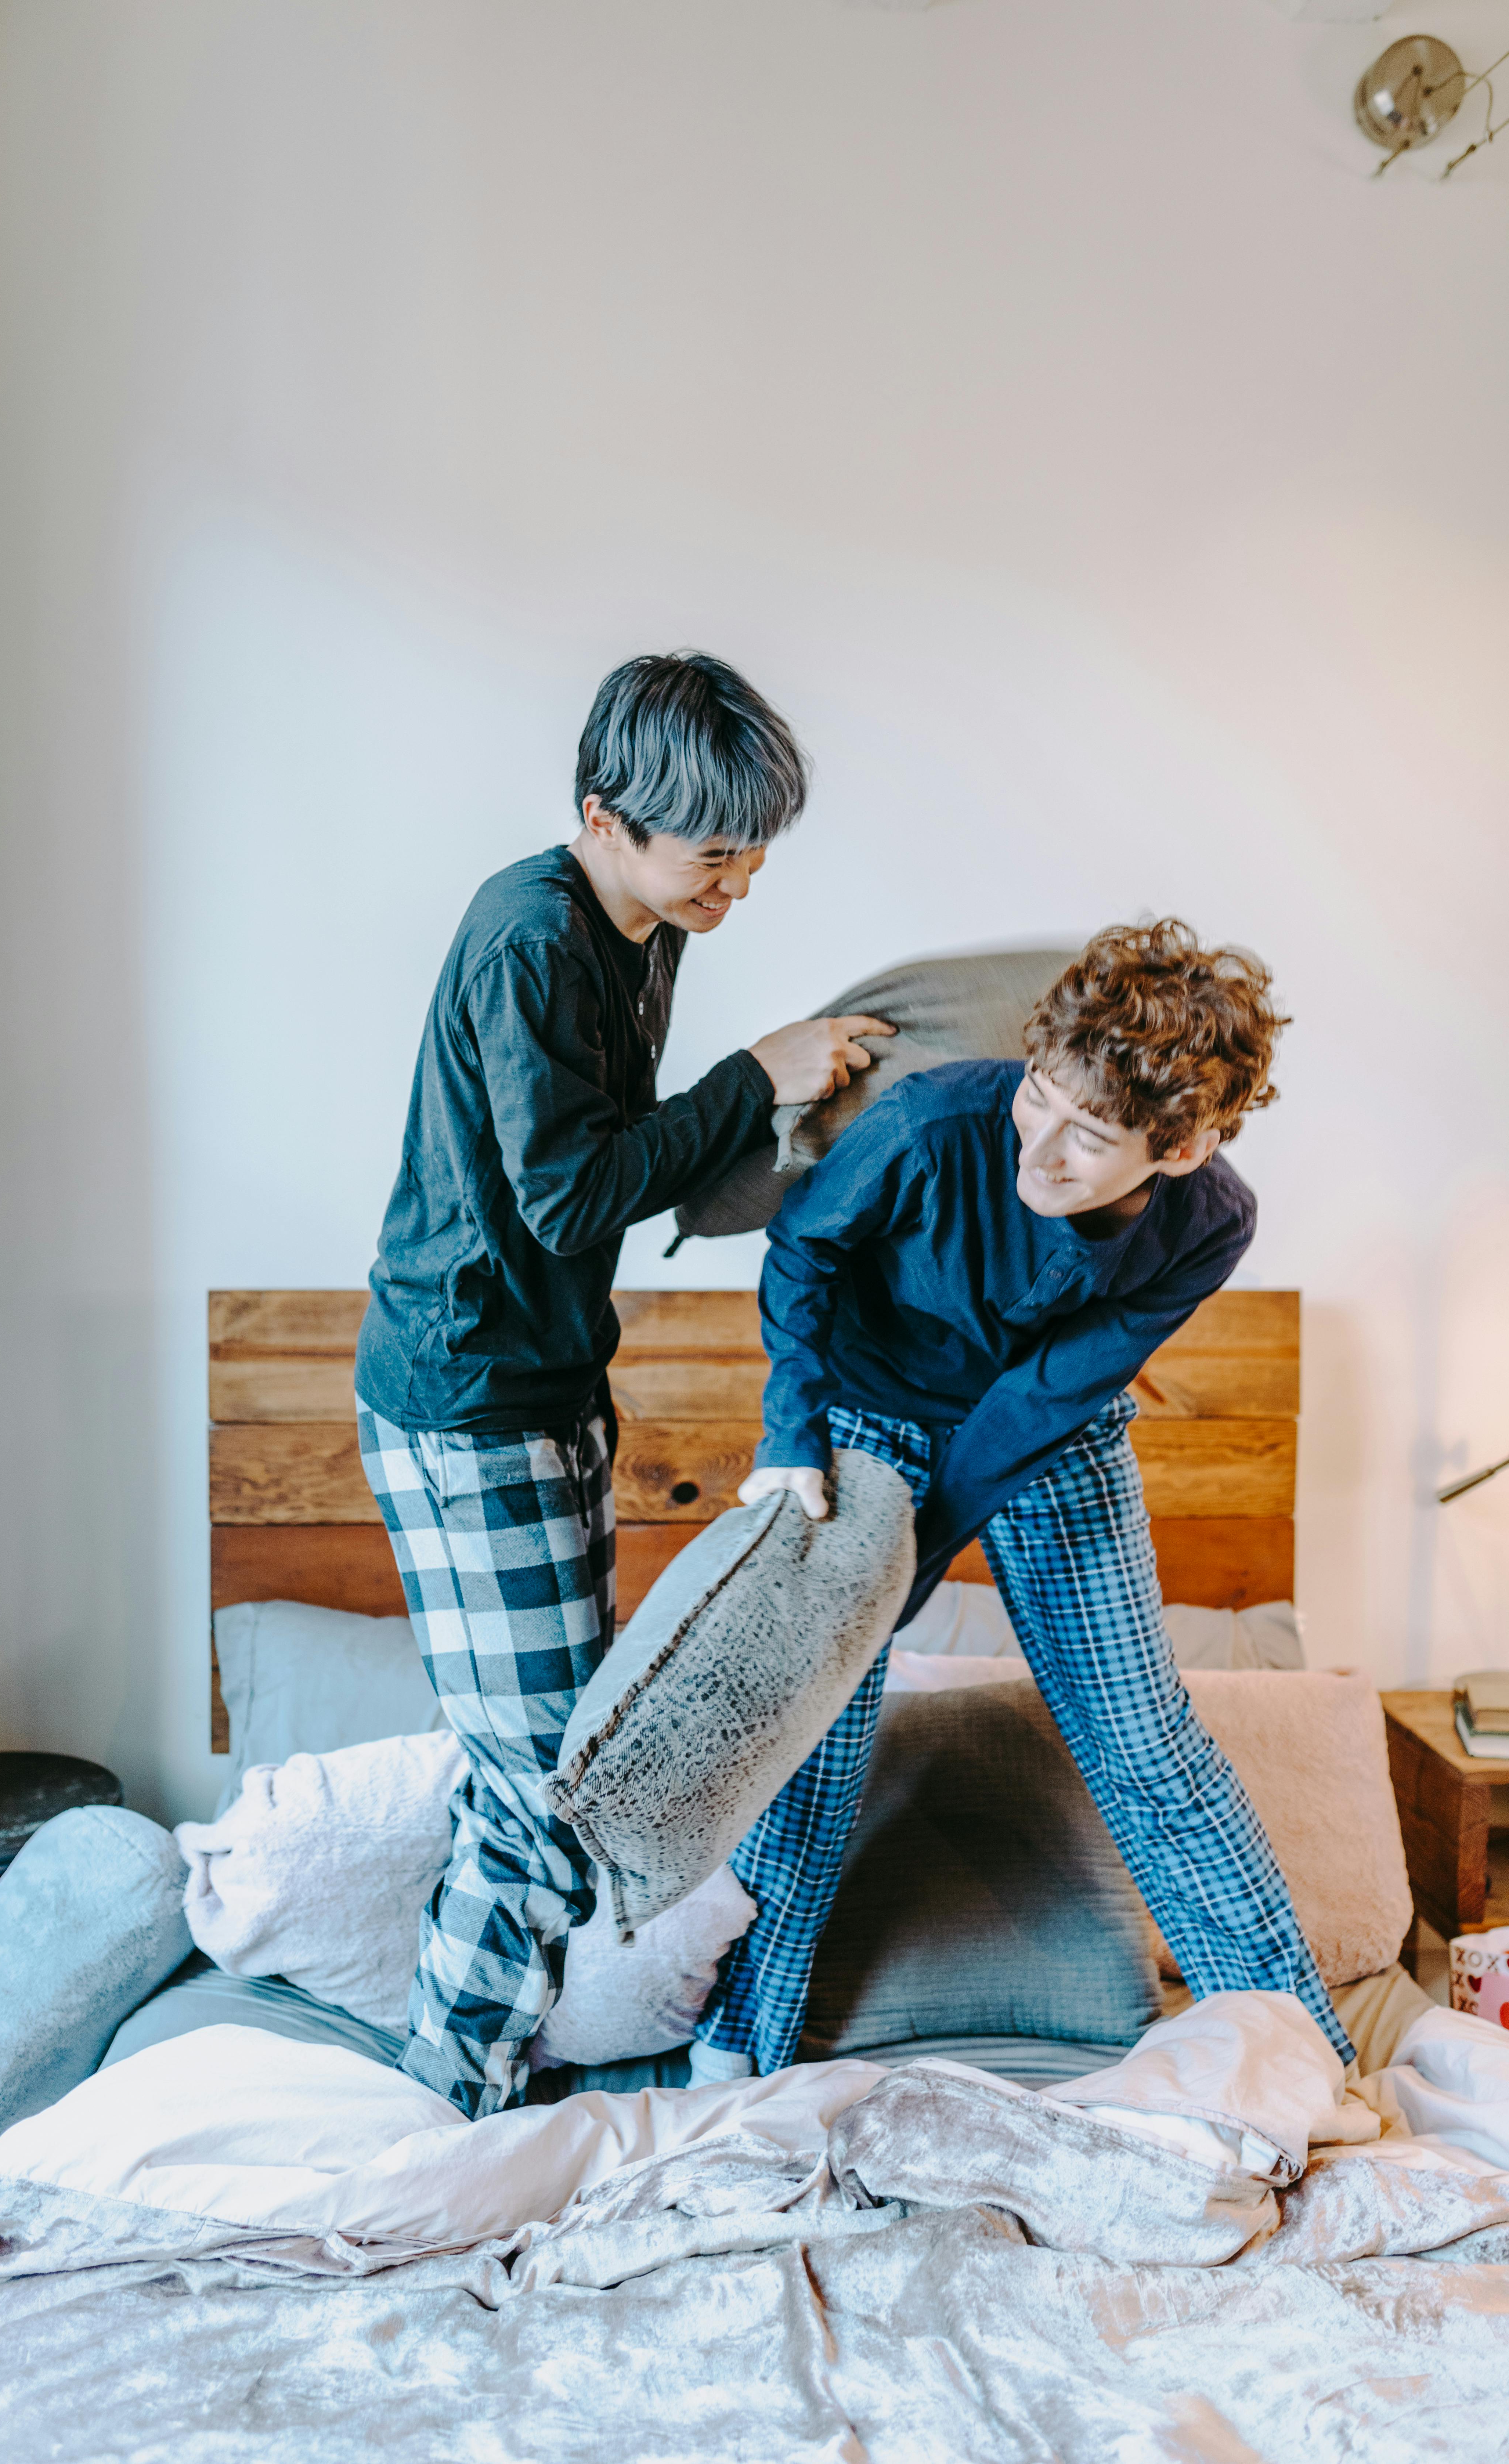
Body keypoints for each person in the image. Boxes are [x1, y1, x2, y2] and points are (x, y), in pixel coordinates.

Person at [355, 650, 891, 2118]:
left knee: (540, 1770)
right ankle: (439, 2119)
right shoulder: (533, 936)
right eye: (717, 855)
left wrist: (793, 1104)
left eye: (755, 855)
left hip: (548, 1383)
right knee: (549, 1801)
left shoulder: (640, 923)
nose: (740, 888)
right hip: (467, 1398)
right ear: (605, 812)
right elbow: (568, 1194)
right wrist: (748, 1073)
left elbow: (628, 1150)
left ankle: (469, 2076)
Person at [698, 919, 1355, 2081]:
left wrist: (909, 1563)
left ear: (1186, 1144)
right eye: (1037, 1098)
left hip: (1052, 1429)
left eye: (1086, 1136)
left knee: (1146, 1744)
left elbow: (1045, 1397)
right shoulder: (929, 1122)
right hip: (866, 1410)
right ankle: (733, 2065)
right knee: (817, 1744)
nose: (1036, 1149)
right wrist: (793, 1431)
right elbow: (801, 1250)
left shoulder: (1213, 1223)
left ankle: (1299, 2053)